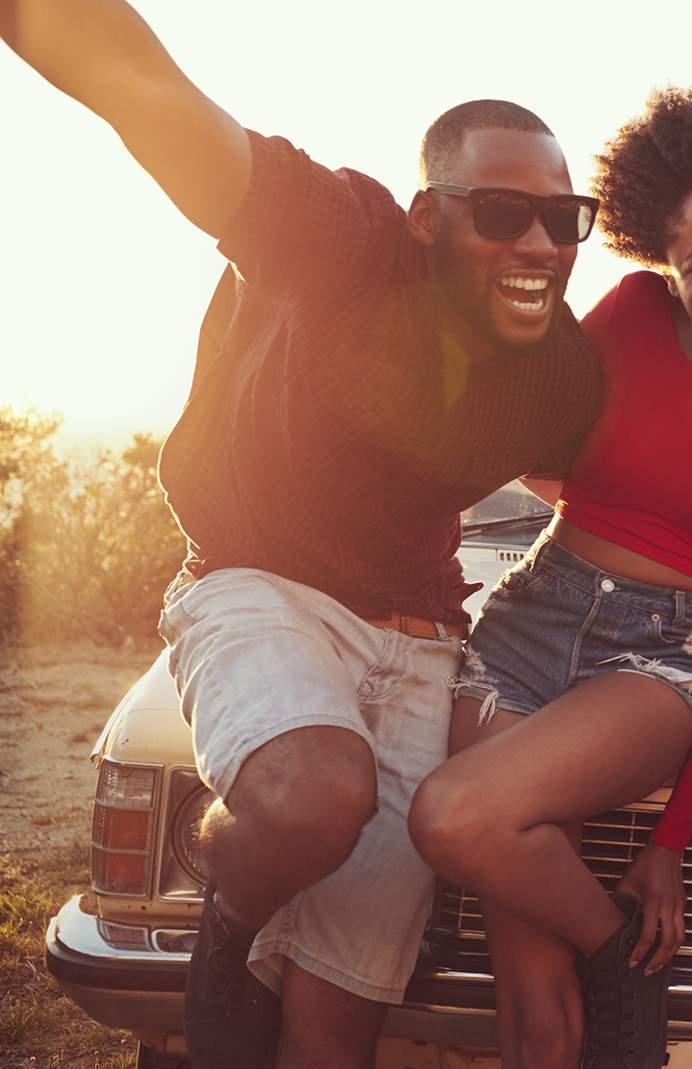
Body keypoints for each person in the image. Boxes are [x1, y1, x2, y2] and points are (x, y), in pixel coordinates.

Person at [0, 2, 608, 1067]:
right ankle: (227, 891)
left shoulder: (555, 372)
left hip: (420, 643)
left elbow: (609, 497)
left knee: (332, 1034)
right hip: (256, 587)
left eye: (566, 220)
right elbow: (158, 106)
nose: (540, 245)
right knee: (316, 796)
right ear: (428, 214)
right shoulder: (342, 239)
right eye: (505, 212)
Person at [406, 87, 692, 1069]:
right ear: (667, 263)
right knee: (532, 1008)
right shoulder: (630, 312)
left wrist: (670, 841)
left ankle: (620, 954)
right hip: (528, 619)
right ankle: (615, 969)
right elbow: (531, 423)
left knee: (455, 814)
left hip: (657, 656)